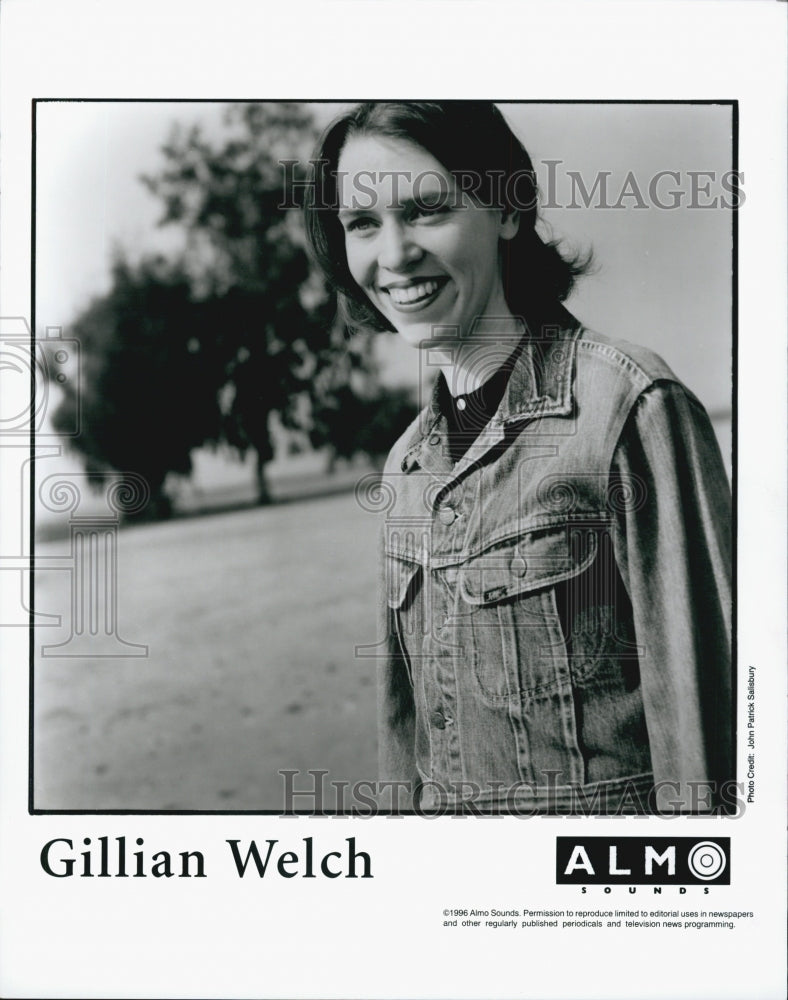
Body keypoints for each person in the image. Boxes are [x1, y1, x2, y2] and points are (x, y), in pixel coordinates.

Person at [304, 101, 732, 815]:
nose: (395, 253)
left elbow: (708, 736)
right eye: (363, 223)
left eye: (428, 209)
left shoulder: (626, 407)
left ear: (506, 209)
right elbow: (403, 750)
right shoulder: (406, 465)